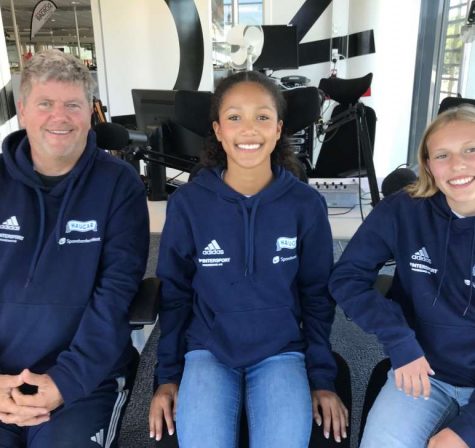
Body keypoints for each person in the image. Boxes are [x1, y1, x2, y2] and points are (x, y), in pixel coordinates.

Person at [149, 70, 348, 447]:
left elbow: (317, 297)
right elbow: (174, 295)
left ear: (278, 128)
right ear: (218, 130)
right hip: (208, 350)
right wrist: (167, 376)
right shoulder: (188, 204)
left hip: (281, 352)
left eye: (262, 117)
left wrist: (322, 378)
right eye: (234, 117)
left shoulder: (305, 205)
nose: (249, 129)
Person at [0, 50, 149, 447]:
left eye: (72, 105)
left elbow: (115, 295)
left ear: (90, 112)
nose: (59, 117)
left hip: (83, 382)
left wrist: (64, 382)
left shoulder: (119, 185)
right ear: (22, 110)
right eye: (45, 104)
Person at [329, 104, 475, 448]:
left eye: (471, 150)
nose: (457, 164)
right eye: (442, 155)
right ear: (428, 165)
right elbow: (346, 278)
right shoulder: (404, 209)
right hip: (423, 370)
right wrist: (399, 340)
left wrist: (465, 432)